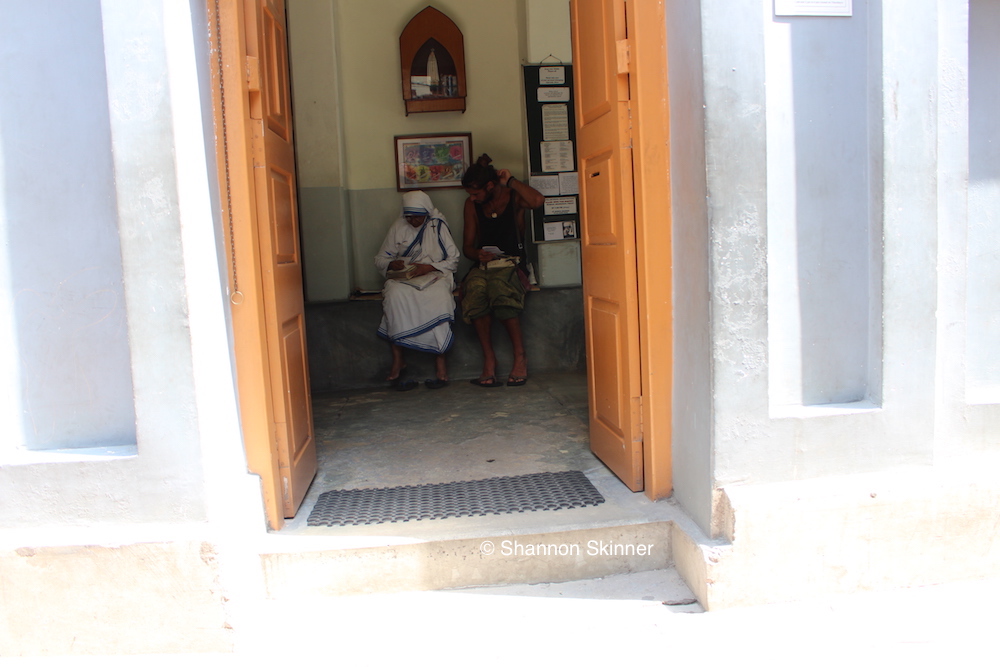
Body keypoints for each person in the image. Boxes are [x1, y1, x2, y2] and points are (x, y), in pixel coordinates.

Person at [460, 153, 545, 388]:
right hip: (486, 265)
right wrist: (477, 254)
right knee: (475, 291)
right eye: (470, 195)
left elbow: (538, 201)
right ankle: (489, 359)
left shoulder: (513, 196)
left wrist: (511, 180)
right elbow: (467, 247)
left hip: (512, 264)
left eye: (476, 193)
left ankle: (520, 356)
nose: (473, 198)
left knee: (500, 290)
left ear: (490, 185)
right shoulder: (472, 205)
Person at [375, 190, 460, 390]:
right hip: (406, 279)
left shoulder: (436, 226)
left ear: (426, 213)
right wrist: (391, 264)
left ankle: (440, 361)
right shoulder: (398, 226)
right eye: (409, 216)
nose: (413, 221)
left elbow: (453, 259)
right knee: (393, 294)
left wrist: (428, 267)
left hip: (435, 275)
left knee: (439, 297)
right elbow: (380, 258)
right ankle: (398, 359)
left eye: (417, 216)